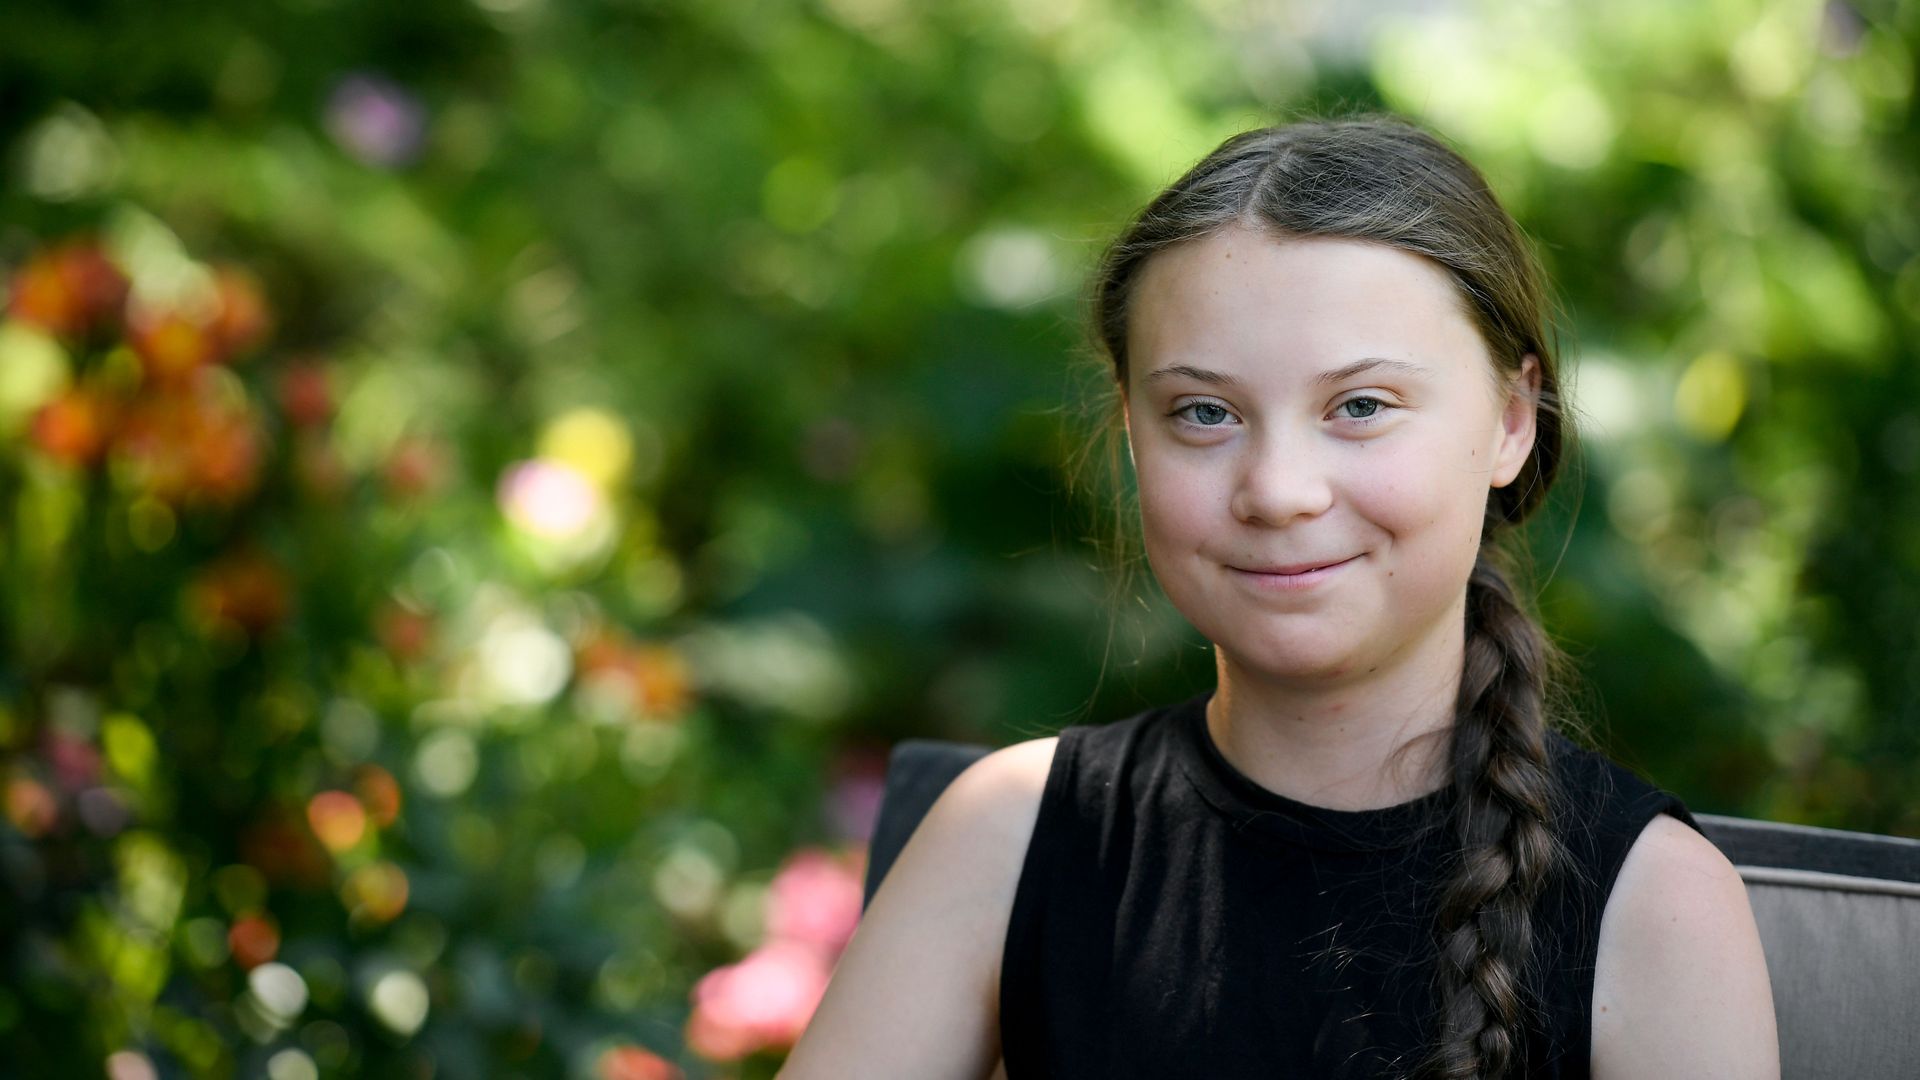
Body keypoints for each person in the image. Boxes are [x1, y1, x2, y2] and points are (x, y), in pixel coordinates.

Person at [779, 115, 1778, 1079]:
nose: (1278, 491)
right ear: (1132, 434)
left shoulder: (1655, 908)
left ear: (1512, 421)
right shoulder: (1007, 836)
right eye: (1204, 413)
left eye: (1360, 407)